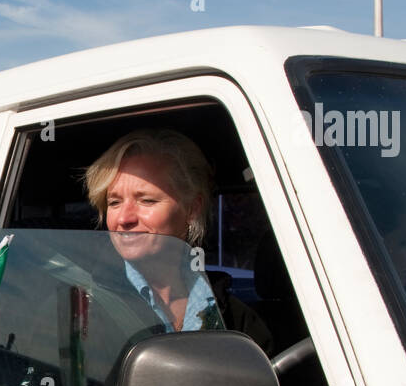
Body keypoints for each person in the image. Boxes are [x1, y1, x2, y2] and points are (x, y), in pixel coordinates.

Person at [83, 128, 274, 352]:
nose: (124, 218)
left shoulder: (233, 316)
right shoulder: (82, 308)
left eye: (146, 200)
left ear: (193, 209)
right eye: (114, 203)